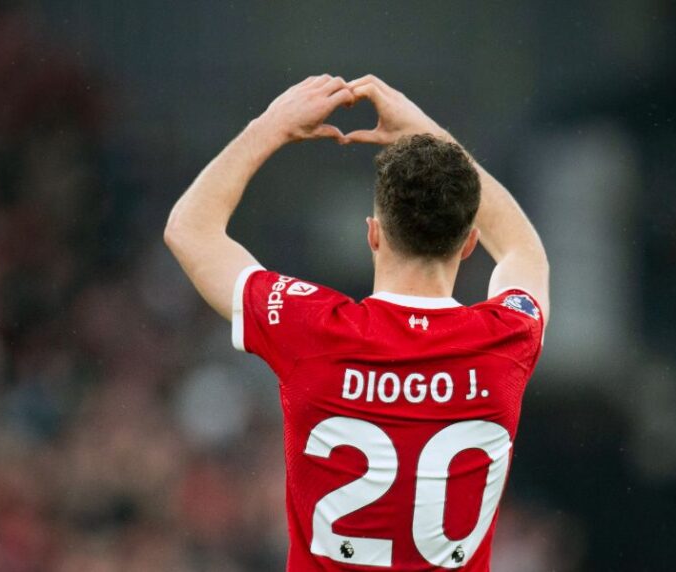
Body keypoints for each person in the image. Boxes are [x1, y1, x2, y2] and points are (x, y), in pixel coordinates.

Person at [164, 74, 549, 571]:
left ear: (372, 234)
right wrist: (427, 133)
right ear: (470, 243)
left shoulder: (311, 328)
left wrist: (271, 127)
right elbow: (522, 249)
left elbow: (190, 230)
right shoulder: (508, 340)